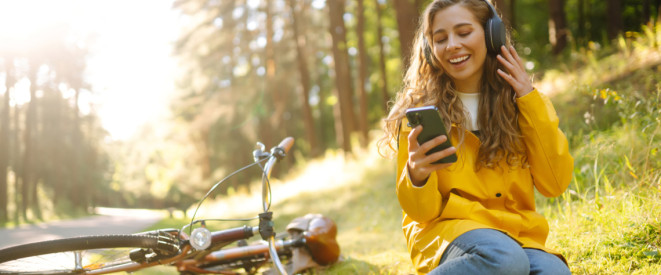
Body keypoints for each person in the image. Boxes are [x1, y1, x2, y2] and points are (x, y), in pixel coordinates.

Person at [377, 0, 574, 274]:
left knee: (555, 272)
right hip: (447, 230)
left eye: (464, 32)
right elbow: (421, 215)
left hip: (516, 233)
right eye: (440, 38)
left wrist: (529, 100)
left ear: (491, 35)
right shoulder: (421, 114)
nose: (452, 45)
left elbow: (555, 183)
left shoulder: (526, 103)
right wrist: (417, 175)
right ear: (429, 49)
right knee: (504, 259)